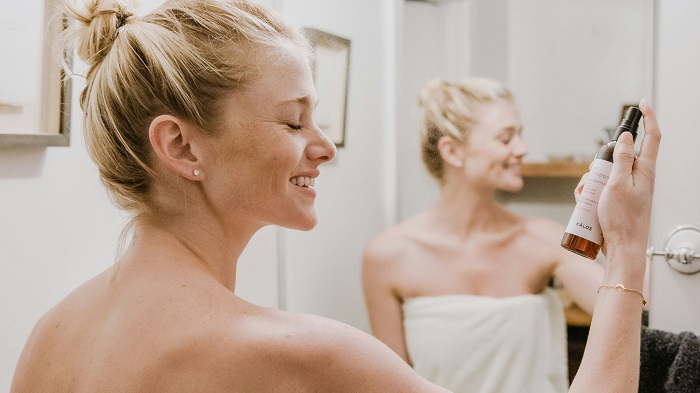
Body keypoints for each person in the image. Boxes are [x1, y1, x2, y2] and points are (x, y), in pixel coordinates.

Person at [10, 0, 660, 392]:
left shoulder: (52, 335)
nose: (325, 147)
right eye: (294, 121)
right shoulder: (292, 350)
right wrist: (627, 249)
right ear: (181, 147)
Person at [361, 78, 645, 392]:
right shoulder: (387, 256)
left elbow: (630, 309)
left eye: (520, 136)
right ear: (452, 150)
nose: (522, 150)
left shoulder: (545, 240)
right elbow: (391, 383)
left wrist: (619, 234)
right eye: (506, 138)